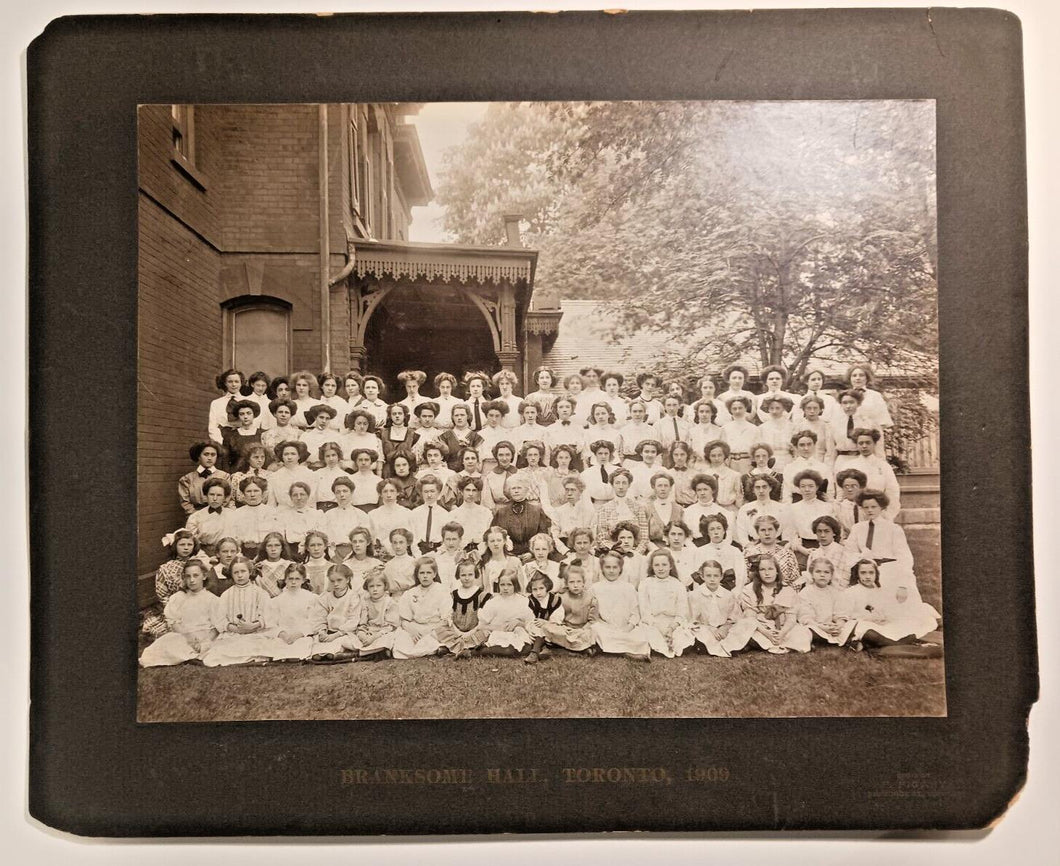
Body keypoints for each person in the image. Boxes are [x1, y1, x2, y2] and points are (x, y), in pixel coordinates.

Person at [138, 560, 220, 667]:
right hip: (184, 635)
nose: (192, 580)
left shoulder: (212, 599)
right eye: (188, 576)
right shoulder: (178, 598)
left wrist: (206, 642)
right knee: (165, 644)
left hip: (205, 635)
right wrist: (189, 637)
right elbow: (174, 623)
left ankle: (193, 654)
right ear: (184, 578)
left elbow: (216, 626)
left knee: (212, 647)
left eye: (196, 576)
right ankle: (189, 656)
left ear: (204, 576)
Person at [200, 555, 272, 666]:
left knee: (259, 646)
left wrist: (253, 625)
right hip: (234, 633)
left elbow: (268, 615)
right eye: (236, 572)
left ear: (250, 572)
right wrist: (235, 629)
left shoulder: (260, 593)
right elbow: (220, 620)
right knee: (219, 653)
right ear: (231, 574)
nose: (240, 575)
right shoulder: (226, 595)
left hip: (255, 632)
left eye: (243, 571)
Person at [730, 555, 811, 653]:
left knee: (802, 632)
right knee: (743, 626)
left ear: (777, 571)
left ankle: (764, 644)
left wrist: (782, 633)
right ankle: (761, 642)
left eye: (770, 569)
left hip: (782, 628)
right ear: (758, 573)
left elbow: (791, 618)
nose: (767, 573)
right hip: (761, 628)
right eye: (762, 570)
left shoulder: (787, 590)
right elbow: (750, 617)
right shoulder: (749, 590)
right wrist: (767, 633)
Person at [843, 490, 917, 595]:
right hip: (865, 573)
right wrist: (861, 557)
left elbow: (904, 557)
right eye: (866, 507)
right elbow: (849, 552)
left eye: (874, 507)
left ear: (881, 507)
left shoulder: (893, 529)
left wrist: (903, 582)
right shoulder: (857, 528)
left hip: (889, 572)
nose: (869, 510)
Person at [140, 529, 210, 639]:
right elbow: (163, 595)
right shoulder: (165, 568)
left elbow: (207, 588)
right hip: (175, 608)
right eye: (182, 544)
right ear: (175, 546)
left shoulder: (200, 565)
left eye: (189, 544)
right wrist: (176, 612)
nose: (186, 548)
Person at [587, 551, 652, 660]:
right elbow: (593, 615)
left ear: (620, 569)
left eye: (615, 567)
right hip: (605, 627)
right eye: (607, 567)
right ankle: (626, 652)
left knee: (642, 634)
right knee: (595, 629)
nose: (611, 571)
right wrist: (604, 625)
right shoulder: (595, 588)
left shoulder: (629, 588)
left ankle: (614, 649)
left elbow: (635, 613)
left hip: (625, 627)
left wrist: (629, 626)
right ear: (602, 569)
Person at [636, 548, 692, 658]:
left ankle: (671, 643)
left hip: (672, 623)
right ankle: (659, 645)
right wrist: (657, 626)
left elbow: (682, 610)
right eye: (656, 565)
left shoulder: (678, 585)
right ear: (652, 566)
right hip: (653, 622)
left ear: (670, 566)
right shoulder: (645, 584)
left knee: (683, 637)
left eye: (664, 565)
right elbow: (644, 611)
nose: (660, 568)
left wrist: (671, 628)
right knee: (647, 633)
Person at [686, 560, 748, 658]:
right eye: (708, 576)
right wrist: (711, 629)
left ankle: (729, 644)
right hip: (705, 628)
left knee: (741, 626)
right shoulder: (695, 595)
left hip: (724, 628)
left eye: (715, 576)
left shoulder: (728, 595)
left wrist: (725, 627)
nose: (712, 579)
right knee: (698, 632)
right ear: (702, 577)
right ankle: (705, 645)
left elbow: (734, 617)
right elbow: (692, 619)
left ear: (721, 576)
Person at [433, 558, 493, 659]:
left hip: (475, 629)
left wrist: (472, 631)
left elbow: (484, 620)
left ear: (476, 575)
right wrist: (456, 630)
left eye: (470, 575)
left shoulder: (483, 595)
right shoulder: (453, 595)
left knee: (486, 632)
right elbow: (449, 616)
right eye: (463, 575)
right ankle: (462, 647)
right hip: (456, 630)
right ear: (458, 576)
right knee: (440, 629)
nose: (467, 578)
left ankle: (456, 647)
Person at [257, 562, 318, 661]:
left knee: (303, 644)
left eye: (297, 579)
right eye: (290, 579)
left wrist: (300, 634)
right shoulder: (276, 601)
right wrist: (282, 634)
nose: (293, 582)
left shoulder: (312, 598)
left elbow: (313, 621)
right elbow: (271, 623)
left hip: (302, 635)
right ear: (285, 580)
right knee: (275, 645)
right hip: (283, 636)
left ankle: (294, 656)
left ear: (303, 580)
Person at [392, 557, 449, 660]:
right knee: (402, 637)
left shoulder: (442, 590)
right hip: (416, 627)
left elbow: (445, 619)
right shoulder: (411, 593)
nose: (425, 576)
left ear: (435, 574)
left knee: (435, 637)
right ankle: (431, 649)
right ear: (417, 575)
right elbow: (404, 619)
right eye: (422, 573)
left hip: (433, 627)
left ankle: (434, 647)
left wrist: (428, 630)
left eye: (429, 572)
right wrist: (412, 629)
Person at [533, 565, 597, 655]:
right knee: (547, 628)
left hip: (582, 630)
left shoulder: (590, 598)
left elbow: (592, 621)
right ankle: (576, 651)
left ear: (584, 583)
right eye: (571, 582)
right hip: (564, 629)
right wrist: (547, 623)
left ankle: (559, 650)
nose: (575, 585)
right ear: (566, 583)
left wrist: (582, 630)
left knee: (592, 633)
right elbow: (555, 617)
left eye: (579, 582)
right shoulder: (560, 597)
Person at [308, 563, 363, 661]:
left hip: (344, 633)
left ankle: (339, 653)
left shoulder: (353, 597)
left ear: (348, 579)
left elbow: (353, 620)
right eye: (332, 581)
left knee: (344, 642)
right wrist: (322, 631)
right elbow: (320, 617)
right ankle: (330, 653)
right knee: (315, 643)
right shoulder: (325, 597)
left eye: (339, 580)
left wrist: (336, 635)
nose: (336, 584)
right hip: (329, 632)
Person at [478, 566, 534, 657]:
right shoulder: (493, 602)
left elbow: (530, 623)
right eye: (502, 585)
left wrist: (519, 623)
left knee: (526, 648)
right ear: (498, 585)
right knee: (508, 650)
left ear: (515, 585)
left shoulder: (523, 601)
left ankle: (495, 651)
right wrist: (499, 627)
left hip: (517, 634)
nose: (505, 588)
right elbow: (482, 625)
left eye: (509, 585)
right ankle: (483, 651)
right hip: (500, 634)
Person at [491, 475, 552, 557]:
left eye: (519, 488)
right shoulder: (501, 512)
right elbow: (495, 535)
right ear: (509, 491)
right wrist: (507, 553)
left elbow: (543, 536)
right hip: (508, 555)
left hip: (533, 555)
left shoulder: (536, 511)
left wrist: (531, 553)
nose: (516, 491)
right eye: (513, 488)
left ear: (526, 490)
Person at [846, 429, 901, 518]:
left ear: (874, 444)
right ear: (856, 445)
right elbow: (843, 493)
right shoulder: (849, 465)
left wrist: (888, 515)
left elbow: (893, 493)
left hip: (879, 513)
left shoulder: (884, 466)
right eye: (861, 443)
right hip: (854, 513)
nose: (864, 446)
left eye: (868, 443)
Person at [788, 470, 837, 569]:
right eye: (803, 486)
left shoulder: (827, 507)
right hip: (802, 548)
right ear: (798, 488)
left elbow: (832, 532)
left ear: (817, 487)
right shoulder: (793, 508)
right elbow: (791, 533)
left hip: (824, 547)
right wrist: (801, 549)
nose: (807, 489)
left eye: (811, 486)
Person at [592, 468, 649, 552]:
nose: (621, 487)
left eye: (624, 483)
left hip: (635, 553)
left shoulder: (638, 507)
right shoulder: (604, 509)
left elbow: (644, 537)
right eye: (617, 483)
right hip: (612, 554)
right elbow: (601, 537)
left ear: (629, 485)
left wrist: (636, 553)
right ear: (612, 484)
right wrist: (614, 551)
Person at [796, 559, 846, 646]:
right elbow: (805, 616)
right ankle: (818, 640)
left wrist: (838, 625)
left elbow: (840, 612)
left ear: (831, 576)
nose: (822, 575)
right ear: (812, 574)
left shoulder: (835, 592)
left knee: (851, 625)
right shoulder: (806, 592)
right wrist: (821, 627)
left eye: (826, 572)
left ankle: (829, 638)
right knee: (806, 630)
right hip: (815, 626)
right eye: (818, 572)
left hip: (831, 626)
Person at [320, 477, 372, 560]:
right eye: (338, 492)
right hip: (333, 553)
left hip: (355, 553)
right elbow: (324, 538)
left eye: (345, 491)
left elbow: (365, 538)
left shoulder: (361, 515)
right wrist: (332, 554)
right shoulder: (328, 515)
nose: (342, 495)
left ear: (351, 492)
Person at [693, 514, 747, 593]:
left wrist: (734, 594)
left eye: (719, 528)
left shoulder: (735, 551)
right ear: (707, 532)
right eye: (712, 529)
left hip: (731, 592)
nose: (716, 532)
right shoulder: (700, 552)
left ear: (724, 531)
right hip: (707, 593)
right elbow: (698, 578)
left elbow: (741, 576)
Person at [742, 514, 801, 587]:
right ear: (757, 532)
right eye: (763, 530)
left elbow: (796, 581)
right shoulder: (749, 553)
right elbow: (743, 579)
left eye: (770, 529)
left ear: (776, 531)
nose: (767, 533)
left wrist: (787, 595)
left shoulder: (787, 554)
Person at [355, 568, 400, 660]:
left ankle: (369, 652)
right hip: (370, 631)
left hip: (383, 631)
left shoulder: (390, 602)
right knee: (352, 639)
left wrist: (375, 637)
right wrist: (363, 634)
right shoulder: (365, 602)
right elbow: (362, 623)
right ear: (367, 588)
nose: (375, 589)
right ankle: (374, 651)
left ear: (385, 586)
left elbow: (391, 626)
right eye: (371, 586)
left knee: (390, 639)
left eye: (378, 586)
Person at [833, 390, 880, 476]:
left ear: (858, 404)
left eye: (851, 402)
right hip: (842, 460)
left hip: (862, 459)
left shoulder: (868, 422)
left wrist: (879, 465)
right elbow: (831, 450)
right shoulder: (834, 423)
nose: (848, 406)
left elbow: (878, 448)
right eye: (844, 403)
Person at [184, 477, 236, 556]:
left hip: (228, 554)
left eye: (219, 495)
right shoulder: (195, 517)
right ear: (206, 496)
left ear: (225, 497)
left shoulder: (232, 515)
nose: (215, 498)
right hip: (204, 555)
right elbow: (190, 542)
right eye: (211, 494)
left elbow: (238, 539)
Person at [735, 475, 791, 547]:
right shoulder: (745, 509)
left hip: (777, 546)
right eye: (757, 487)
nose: (761, 491)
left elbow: (787, 532)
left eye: (764, 487)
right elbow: (742, 533)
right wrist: (749, 547)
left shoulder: (782, 508)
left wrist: (783, 547)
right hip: (753, 546)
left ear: (770, 488)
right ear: (753, 490)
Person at [845, 364, 893, 447]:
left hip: (871, 438)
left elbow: (883, 420)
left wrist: (872, 434)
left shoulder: (875, 396)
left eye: (861, 375)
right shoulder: (845, 397)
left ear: (867, 377)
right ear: (850, 378)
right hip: (850, 437)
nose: (857, 378)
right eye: (854, 375)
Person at [178, 441, 230, 516]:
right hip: (196, 516)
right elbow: (185, 502)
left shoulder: (225, 476)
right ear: (198, 456)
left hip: (219, 515)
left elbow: (227, 499)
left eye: (213, 455)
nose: (209, 458)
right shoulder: (187, 479)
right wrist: (198, 516)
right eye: (206, 454)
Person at [368, 479, 415, 559]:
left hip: (403, 556)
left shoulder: (407, 513)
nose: (389, 495)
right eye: (385, 491)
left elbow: (413, 537)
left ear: (398, 492)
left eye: (392, 491)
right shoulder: (373, 514)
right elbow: (372, 538)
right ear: (380, 494)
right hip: (381, 556)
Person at [782, 430, 833, 502]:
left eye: (809, 444)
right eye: (802, 445)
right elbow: (787, 494)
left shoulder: (823, 468)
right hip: (796, 506)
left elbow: (830, 493)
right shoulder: (789, 468)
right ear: (796, 447)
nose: (806, 448)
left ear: (814, 445)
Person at [805, 515, 855, 588]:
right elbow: (809, 580)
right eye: (819, 531)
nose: (822, 535)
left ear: (834, 532)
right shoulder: (813, 555)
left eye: (826, 531)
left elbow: (845, 581)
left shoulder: (844, 552)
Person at [447, 477, 493, 555]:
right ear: (461, 491)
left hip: (482, 552)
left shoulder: (486, 513)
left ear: (478, 492)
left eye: (474, 490)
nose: (471, 494)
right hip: (460, 553)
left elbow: (489, 536)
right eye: (467, 490)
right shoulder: (453, 515)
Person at [791, 394, 838, 469]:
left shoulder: (826, 426)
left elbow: (830, 451)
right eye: (808, 408)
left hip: (821, 463)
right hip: (802, 464)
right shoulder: (798, 426)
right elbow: (795, 450)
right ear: (804, 409)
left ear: (820, 409)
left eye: (815, 408)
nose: (812, 411)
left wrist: (826, 467)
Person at [276, 481, 320, 555]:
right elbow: (281, 538)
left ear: (308, 496)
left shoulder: (317, 514)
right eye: (295, 495)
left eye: (302, 494)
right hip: (291, 551)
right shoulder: (284, 515)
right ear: (291, 497)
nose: (299, 498)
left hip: (313, 550)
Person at [220, 398, 264, 472]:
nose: (245, 417)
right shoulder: (230, 436)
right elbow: (225, 460)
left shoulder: (262, 434)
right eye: (242, 414)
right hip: (236, 474)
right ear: (238, 416)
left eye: (248, 413)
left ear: (254, 415)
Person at [684, 474, 731, 543]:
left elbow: (728, 537)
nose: (702, 493)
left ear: (713, 490)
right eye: (699, 490)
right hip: (696, 548)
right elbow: (687, 538)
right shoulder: (688, 512)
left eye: (705, 489)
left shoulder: (723, 512)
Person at [699, 440, 744, 513]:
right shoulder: (705, 474)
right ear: (708, 457)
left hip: (729, 509)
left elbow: (739, 496)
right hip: (710, 509)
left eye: (719, 455)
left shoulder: (734, 475)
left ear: (725, 456)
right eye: (713, 456)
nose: (716, 458)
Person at [267, 441, 315, 508]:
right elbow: (271, 503)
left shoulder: (309, 474)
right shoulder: (274, 477)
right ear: (282, 457)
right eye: (286, 454)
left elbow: (312, 500)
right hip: (282, 513)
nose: (289, 457)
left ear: (299, 456)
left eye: (293, 454)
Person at [408, 474, 448, 554]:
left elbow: (446, 540)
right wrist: (418, 555)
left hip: (438, 552)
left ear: (439, 492)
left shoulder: (445, 514)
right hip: (419, 551)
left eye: (432, 491)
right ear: (421, 493)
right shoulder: (414, 513)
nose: (429, 495)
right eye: (426, 492)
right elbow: (412, 539)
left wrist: (437, 553)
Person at [478, 526, 525, 594]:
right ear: (487, 544)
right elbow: (480, 589)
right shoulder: (484, 564)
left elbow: (521, 588)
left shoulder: (515, 562)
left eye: (499, 540)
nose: (496, 544)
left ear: (504, 541)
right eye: (492, 541)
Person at [644, 472, 684, 547]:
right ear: (654, 487)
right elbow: (644, 537)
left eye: (666, 486)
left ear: (670, 488)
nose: (663, 489)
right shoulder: (646, 509)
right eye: (659, 486)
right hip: (654, 549)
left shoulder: (679, 509)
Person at [756, 396, 796, 471]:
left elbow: (795, 448)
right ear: (768, 409)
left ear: (783, 408)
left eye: (777, 408)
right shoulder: (762, 428)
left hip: (788, 461)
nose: (774, 411)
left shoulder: (792, 426)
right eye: (771, 408)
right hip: (769, 462)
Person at [720, 396, 758, 475]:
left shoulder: (754, 428)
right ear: (730, 410)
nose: (737, 411)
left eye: (740, 408)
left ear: (745, 408)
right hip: (730, 462)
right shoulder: (725, 428)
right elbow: (722, 448)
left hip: (748, 462)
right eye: (734, 408)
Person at [208, 368, 246, 446]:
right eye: (230, 382)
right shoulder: (216, 403)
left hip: (243, 438)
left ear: (241, 383)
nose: (233, 385)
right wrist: (219, 443)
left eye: (236, 381)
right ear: (225, 383)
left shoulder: (248, 402)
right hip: (223, 438)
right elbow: (213, 427)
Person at [438, 404, 483, 471]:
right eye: (456, 415)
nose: (459, 418)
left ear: (468, 416)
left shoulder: (475, 437)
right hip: (450, 472)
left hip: (469, 472)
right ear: (452, 417)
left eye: (462, 415)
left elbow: (479, 460)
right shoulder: (445, 436)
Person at [253, 531, 294, 598]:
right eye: (269, 546)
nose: (273, 549)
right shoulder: (259, 567)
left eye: (277, 545)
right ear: (265, 548)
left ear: (282, 548)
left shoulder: (290, 566)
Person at [380, 403, 419, 471]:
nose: (397, 416)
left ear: (404, 415)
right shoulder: (382, 433)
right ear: (390, 416)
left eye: (400, 413)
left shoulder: (412, 434)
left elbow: (414, 457)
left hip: (405, 469)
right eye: (394, 414)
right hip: (387, 470)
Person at [481, 440, 518, 510]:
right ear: (496, 456)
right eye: (501, 455)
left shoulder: (520, 474)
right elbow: (487, 502)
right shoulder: (490, 477)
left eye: (507, 455)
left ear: (512, 456)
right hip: (499, 513)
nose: (504, 458)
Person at [687, 400, 726, 466]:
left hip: (715, 465)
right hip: (697, 465)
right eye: (701, 412)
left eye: (707, 412)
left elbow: (724, 451)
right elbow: (688, 451)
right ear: (697, 413)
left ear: (712, 413)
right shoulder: (691, 431)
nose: (704, 414)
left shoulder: (719, 431)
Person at [382, 528, 418, 599]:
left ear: (408, 543)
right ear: (391, 544)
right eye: (395, 543)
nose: (398, 546)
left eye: (401, 542)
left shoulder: (414, 562)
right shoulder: (388, 565)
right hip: (394, 599)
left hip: (412, 598)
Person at [476, 402, 512, 472]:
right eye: (491, 415)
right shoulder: (480, 434)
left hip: (504, 467)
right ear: (486, 416)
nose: (494, 419)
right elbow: (478, 457)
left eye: (497, 416)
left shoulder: (508, 434)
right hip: (486, 467)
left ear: (502, 416)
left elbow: (513, 454)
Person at [580, 440, 618, 504]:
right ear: (595, 455)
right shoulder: (586, 474)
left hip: (615, 504)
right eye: (600, 453)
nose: (603, 456)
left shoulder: (617, 471)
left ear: (610, 454)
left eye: (606, 453)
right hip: (595, 506)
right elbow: (585, 496)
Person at [834, 468, 869, 537]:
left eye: (854, 486)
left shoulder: (868, 506)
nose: (849, 489)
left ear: (861, 487)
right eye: (846, 486)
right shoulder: (838, 507)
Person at [301, 529, 333, 594]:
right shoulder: (302, 569)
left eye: (319, 545)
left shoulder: (332, 567)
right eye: (312, 545)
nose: (316, 549)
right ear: (307, 548)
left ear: (325, 546)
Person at [667, 441, 697, 506]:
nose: (679, 458)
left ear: (687, 455)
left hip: (691, 507)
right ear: (672, 456)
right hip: (674, 508)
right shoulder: (668, 474)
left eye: (682, 454)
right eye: (676, 455)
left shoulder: (695, 474)